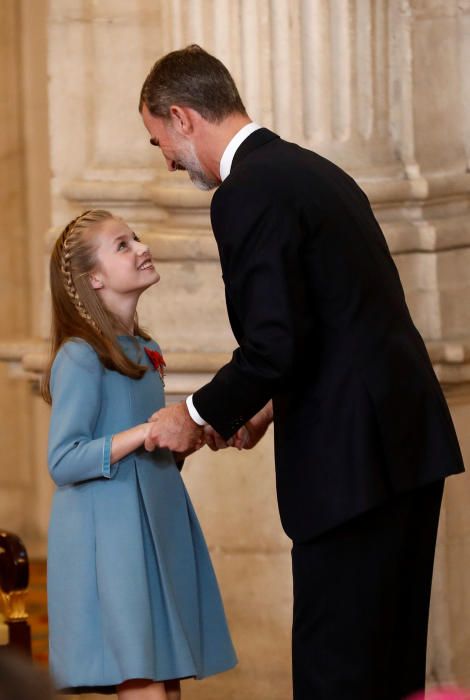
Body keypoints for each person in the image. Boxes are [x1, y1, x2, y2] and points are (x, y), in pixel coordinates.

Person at [138, 45, 465, 700]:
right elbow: (334, 321)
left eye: (158, 142)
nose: (168, 160)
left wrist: (195, 414)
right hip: (402, 450)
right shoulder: (314, 171)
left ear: (182, 117)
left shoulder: (246, 192)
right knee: (387, 674)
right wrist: (265, 407)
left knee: (336, 677)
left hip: (350, 467)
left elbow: (274, 345)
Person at [42, 209, 237, 699]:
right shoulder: (80, 355)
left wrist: (190, 437)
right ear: (95, 278)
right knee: (143, 682)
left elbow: (153, 450)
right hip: (111, 539)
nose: (141, 247)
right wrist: (145, 434)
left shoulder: (144, 348)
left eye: (136, 237)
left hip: (155, 529)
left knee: (166, 681)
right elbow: (63, 459)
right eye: (123, 245)